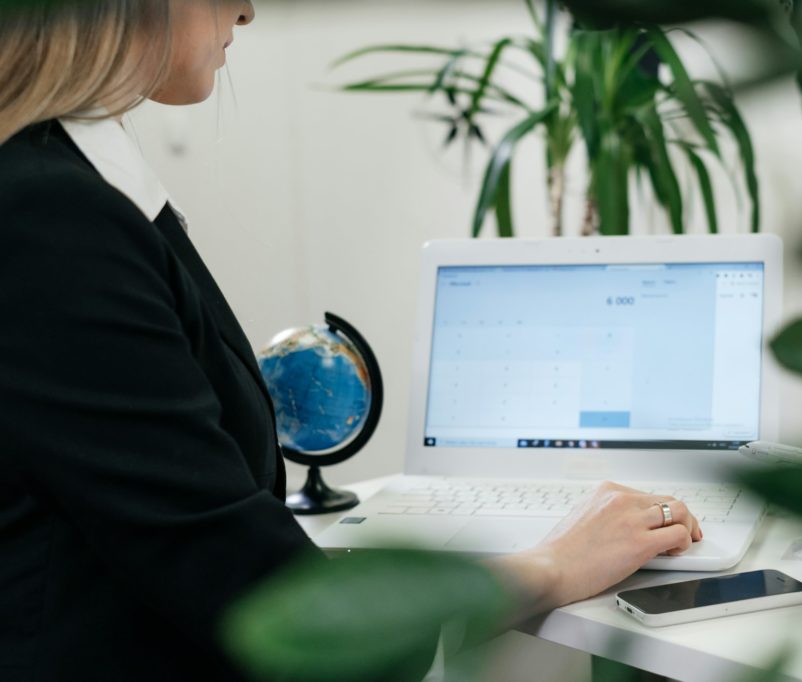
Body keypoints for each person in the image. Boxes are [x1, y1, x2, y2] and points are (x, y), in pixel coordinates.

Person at [0, 2, 702, 680]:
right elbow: (254, 588)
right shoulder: (50, 213)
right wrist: (556, 564)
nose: (245, 12)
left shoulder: (79, 189)